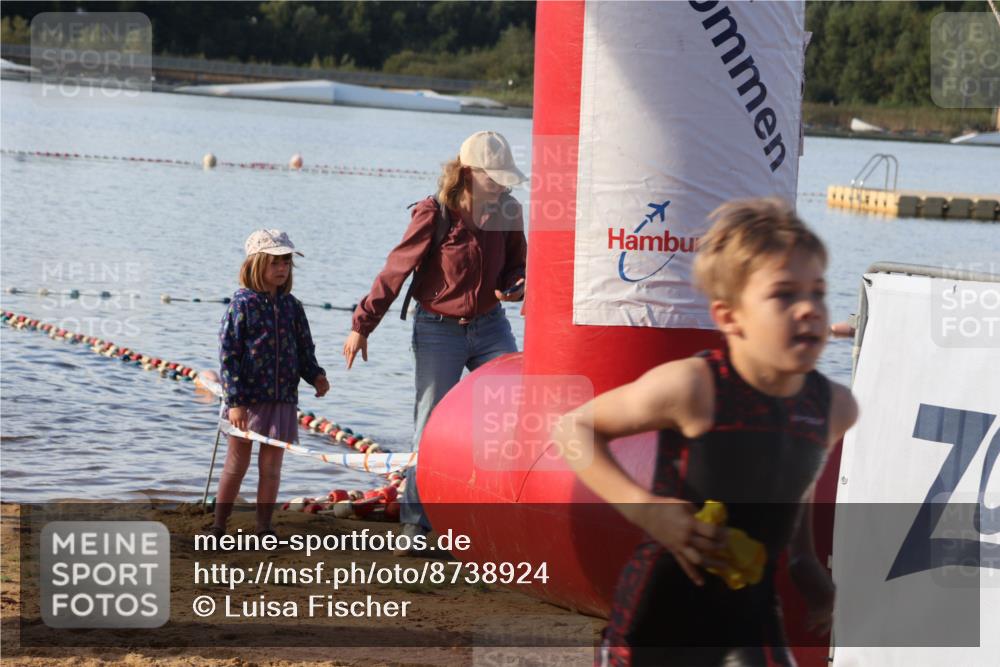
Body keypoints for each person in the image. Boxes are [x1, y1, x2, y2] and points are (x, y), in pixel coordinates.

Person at [551, 198, 859, 666]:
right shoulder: (696, 388)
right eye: (783, 295)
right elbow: (574, 427)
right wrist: (645, 510)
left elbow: (793, 477)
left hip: (751, 613)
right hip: (660, 617)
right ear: (729, 317)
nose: (808, 310)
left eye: (817, 292)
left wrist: (803, 560)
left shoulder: (833, 407)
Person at [343, 131, 528, 549]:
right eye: (493, 177)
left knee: (513, 411)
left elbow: (517, 265)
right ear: (468, 172)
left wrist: (516, 286)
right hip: (437, 329)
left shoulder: (509, 210)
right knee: (429, 427)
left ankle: (490, 517)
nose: (501, 185)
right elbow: (395, 271)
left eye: (504, 177)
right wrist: (362, 324)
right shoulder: (435, 212)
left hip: (491, 326)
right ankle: (415, 524)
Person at [213, 229, 330, 538]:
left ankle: (264, 527)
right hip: (247, 400)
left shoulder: (293, 307)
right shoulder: (242, 305)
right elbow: (228, 355)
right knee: (236, 464)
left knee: (271, 468)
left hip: (282, 399)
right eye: (274, 262)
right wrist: (235, 401)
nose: (282, 268)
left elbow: (304, 349)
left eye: (286, 262)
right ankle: (218, 525)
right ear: (256, 264)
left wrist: (316, 375)